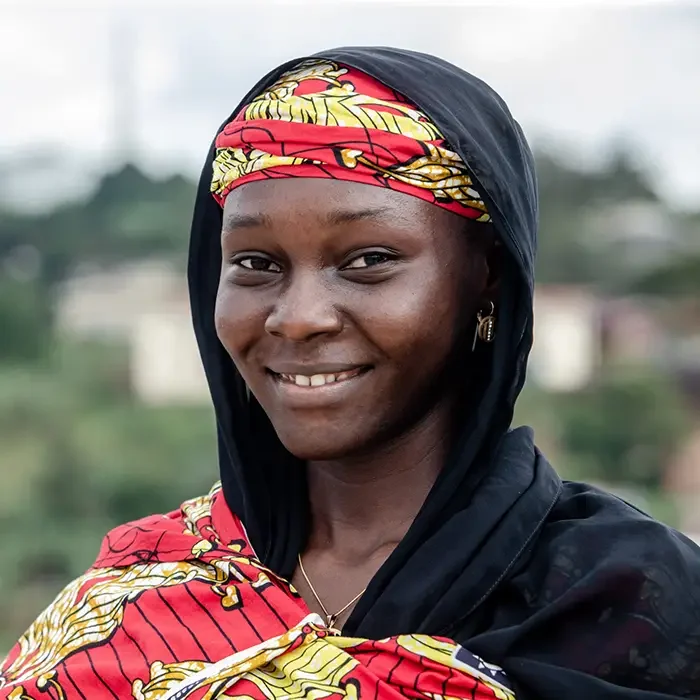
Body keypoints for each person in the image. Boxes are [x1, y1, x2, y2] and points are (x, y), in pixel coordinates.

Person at [1, 47, 699, 700]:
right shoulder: (135, 596)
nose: (299, 318)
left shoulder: (638, 604)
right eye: (256, 264)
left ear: (486, 275)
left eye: (367, 260)